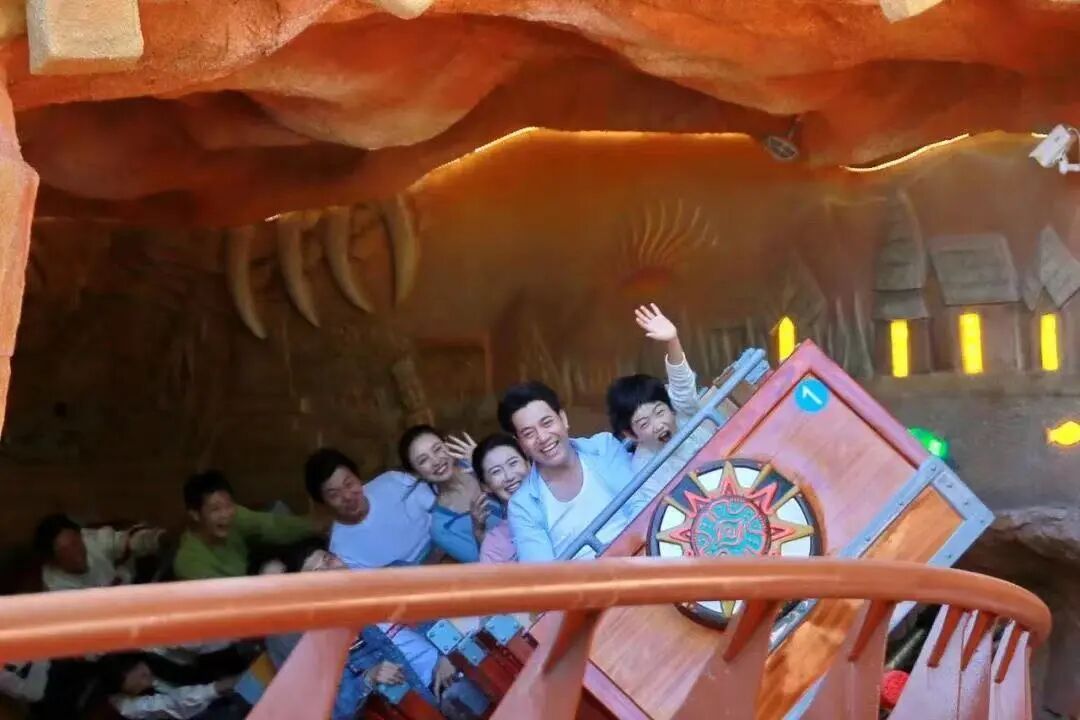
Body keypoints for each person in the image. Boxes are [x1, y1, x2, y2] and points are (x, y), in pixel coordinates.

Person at [497, 381, 635, 561]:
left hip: (641, 556)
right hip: (583, 577)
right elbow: (542, 569)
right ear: (521, 444)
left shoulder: (604, 448)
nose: (543, 437)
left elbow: (640, 506)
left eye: (547, 423)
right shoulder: (522, 505)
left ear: (563, 419)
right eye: (529, 434)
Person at [606, 304, 716, 511]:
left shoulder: (683, 412)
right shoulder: (643, 471)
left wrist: (672, 340)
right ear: (631, 434)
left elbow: (682, 384)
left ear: (670, 406)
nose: (658, 425)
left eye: (659, 412)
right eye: (644, 423)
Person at [173, 471, 321, 580]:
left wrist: (318, 525)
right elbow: (222, 600)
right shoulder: (189, 561)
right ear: (195, 514)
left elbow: (273, 525)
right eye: (215, 509)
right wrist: (264, 582)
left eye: (228, 505)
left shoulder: (236, 516)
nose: (226, 514)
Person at [304, 448, 435, 569]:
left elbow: (439, 508)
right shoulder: (341, 552)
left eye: (349, 484)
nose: (347, 496)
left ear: (358, 477)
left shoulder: (393, 481)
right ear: (323, 503)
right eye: (334, 495)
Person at [399, 426, 502, 563]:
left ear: (447, 445)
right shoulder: (442, 528)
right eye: (423, 460)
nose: (436, 461)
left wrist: (486, 462)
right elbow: (485, 565)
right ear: (416, 473)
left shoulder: (476, 463)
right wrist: (478, 530)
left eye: (437, 449)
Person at [33, 514, 166, 591]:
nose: (76, 553)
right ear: (52, 560)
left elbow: (125, 541)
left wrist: (158, 538)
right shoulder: (57, 588)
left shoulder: (91, 540)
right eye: (65, 550)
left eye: (75, 543)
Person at [105, 654, 246, 720]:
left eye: (142, 671)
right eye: (141, 680)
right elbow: (171, 704)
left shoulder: (155, 655)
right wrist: (217, 688)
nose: (146, 678)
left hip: (210, 681)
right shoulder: (126, 706)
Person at [466, 433, 530, 563]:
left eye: (513, 463)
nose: (509, 476)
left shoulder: (563, 499)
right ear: (485, 486)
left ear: (528, 463)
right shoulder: (493, 546)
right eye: (496, 471)